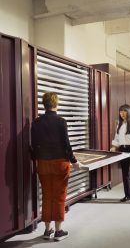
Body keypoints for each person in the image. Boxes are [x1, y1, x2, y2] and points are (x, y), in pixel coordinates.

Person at [31, 92, 83, 241]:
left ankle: (47, 231)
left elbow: (34, 145)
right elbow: (66, 144)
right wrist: (74, 161)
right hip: (60, 163)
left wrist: (37, 157)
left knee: (47, 196)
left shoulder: (36, 122)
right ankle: (58, 232)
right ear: (56, 103)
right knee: (59, 196)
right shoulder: (61, 121)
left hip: (43, 163)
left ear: (44, 104)